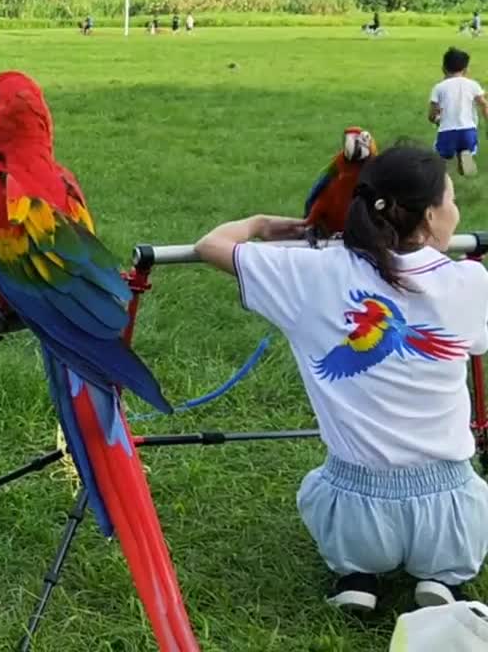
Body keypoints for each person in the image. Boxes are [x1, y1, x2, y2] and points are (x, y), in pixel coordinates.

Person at [194, 143, 488, 614]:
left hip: (356, 510)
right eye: (451, 200)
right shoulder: (471, 281)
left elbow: (210, 245)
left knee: (331, 493)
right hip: (450, 513)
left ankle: (356, 575)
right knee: (459, 517)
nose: (455, 211)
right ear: (431, 218)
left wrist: (259, 225)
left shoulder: (312, 273)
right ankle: (442, 580)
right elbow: (473, 343)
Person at [429, 46, 488, 177]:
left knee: (439, 159)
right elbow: (484, 104)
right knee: (465, 154)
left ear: (443, 68)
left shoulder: (439, 88)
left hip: (447, 132)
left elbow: (431, 115)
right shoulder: (473, 85)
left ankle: (443, 177)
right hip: (468, 131)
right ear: (466, 69)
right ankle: (464, 159)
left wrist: (437, 119)